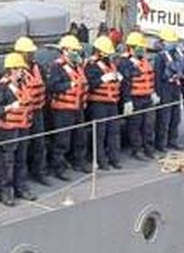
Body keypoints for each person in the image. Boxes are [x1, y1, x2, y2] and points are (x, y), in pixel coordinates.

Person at [46, 34, 89, 178]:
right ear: (65, 50)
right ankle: (58, 168)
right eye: (73, 50)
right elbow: (52, 86)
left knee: (80, 138)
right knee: (62, 140)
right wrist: (68, 85)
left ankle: (79, 162)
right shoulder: (57, 67)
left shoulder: (77, 66)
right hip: (63, 110)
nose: (76, 53)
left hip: (77, 108)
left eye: (77, 51)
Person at [0, 51, 33, 204]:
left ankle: (21, 188)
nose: (22, 71)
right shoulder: (2, 87)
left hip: (23, 127)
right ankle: (5, 192)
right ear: (11, 69)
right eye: (19, 69)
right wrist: (10, 106)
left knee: (21, 160)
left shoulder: (23, 84)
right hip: (9, 130)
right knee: (7, 161)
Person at [86, 36, 125, 169]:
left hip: (112, 102)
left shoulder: (110, 64)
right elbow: (90, 85)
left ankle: (114, 158)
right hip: (99, 104)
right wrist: (103, 79)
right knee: (100, 133)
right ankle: (100, 160)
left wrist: (117, 78)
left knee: (114, 132)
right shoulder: (91, 66)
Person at [15, 37, 50, 187]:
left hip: (37, 111)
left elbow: (45, 85)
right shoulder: (16, 73)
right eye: (29, 53)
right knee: (22, 148)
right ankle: (21, 178)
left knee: (39, 144)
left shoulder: (38, 68)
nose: (32, 55)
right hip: (23, 114)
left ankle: (39, 172)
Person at [119, 31, 157, 160]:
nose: (142, 49)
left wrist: (153, 92)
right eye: (139, 47)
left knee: (149, 125)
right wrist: (127, 100)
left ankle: (149, 148)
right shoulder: (125, 63)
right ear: (131, 47)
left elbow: (150, 78)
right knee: (135, 125)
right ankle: (137, 149)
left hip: (147, 97)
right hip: (135, 98)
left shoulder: (144, 60)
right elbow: (125, 83)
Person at [152, 28, 184, 152]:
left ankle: (173, 140)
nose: (173, 44)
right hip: (164, 89)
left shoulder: (176, 53)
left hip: (175, 87)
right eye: (171, 41)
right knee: (164, 118)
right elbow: (157, 75)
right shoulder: (160, 57)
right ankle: (161, 143)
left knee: (175, 116)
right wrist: (157, 92)